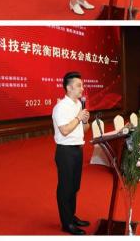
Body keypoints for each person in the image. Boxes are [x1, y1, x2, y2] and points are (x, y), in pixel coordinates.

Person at [52, 71, 91, 235]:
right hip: (65, 151)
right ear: (69, 88)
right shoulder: (60, 107)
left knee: (74, 186)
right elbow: (65, 130)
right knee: (65, 187)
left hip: (77, 149)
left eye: (82, 85)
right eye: (79, 85)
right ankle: (66, 223)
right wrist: (78, 118)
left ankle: (71, 216)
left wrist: (85, 121)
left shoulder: (78, 105)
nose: (82, 88)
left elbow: (84, 130)